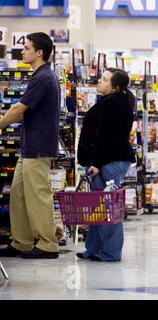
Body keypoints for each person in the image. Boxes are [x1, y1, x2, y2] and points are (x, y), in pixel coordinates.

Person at [0, 32, 60, 259]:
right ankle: (22, 242)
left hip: (38, 146)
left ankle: (48, 244)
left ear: (39, 52)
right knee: (18, 195)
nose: (22, 51)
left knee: (37, 195)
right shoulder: (41, 75)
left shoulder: (43, 77)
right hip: (30, 146)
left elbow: (18, 109)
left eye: (26, 48)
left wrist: (1, 123)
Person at [76, 68, 135, 262]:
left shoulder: (113, 104)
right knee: (97, 206)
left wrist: (96, 163)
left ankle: (110, 251)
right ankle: (94, 249)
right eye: (101, 78)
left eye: (104, 80)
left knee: (107, 207)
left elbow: (105, 137)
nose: (99, 82)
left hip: (108, 162)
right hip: (106, 160)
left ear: (115, 87)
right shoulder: (113, 101)